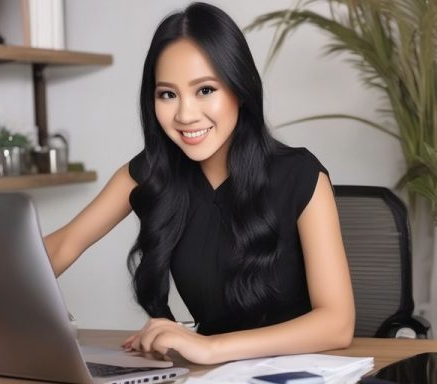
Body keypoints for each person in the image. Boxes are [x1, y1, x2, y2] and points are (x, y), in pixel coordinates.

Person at [44, 2, 354, 365]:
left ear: (239, 88)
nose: (185, 115)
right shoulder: (150, 173)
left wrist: (210, 347)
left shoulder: (301, 175)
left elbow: (337, 323)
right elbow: (63, 245)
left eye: (205, 90)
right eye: (167, 94)